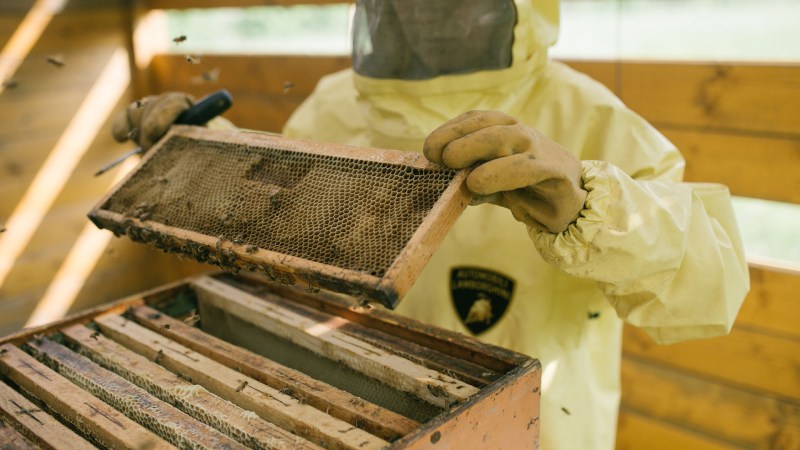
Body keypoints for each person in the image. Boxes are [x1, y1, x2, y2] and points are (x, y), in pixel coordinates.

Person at [111, 0, 750, 448]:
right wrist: (206, 151)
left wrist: (591, 205)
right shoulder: (333, 104)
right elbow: (287, 213)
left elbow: (711, 290)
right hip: (351, 410)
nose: (424, 14)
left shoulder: (591, 115)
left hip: (537, 430)